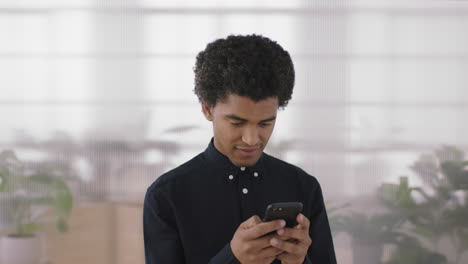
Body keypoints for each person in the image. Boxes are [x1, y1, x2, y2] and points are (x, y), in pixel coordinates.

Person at [143, 34, 336, 264]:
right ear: (207, 109)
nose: (252, 139)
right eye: (236, 123)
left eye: (266, 123)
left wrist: (300, 262)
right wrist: (232, 258)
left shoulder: (304, 187)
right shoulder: (166, 196)